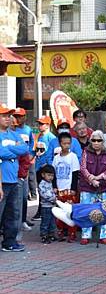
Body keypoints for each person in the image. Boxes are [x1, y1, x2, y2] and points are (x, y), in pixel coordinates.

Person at [0, 104, 29, 251]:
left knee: (13, 213)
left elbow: (25, 149)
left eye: (8, 115)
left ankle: (9, 242)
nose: (8, 118)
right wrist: (14, 151)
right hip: (1, 181)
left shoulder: (13, 134)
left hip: (14, 179)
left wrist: (8, 151)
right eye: (4, 115)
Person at [79, 130, 106, 245]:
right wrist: (91, 179)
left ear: (103, 141)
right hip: (87, 186)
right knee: (86, 210)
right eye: (94, 140)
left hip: (102, 186)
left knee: (104, 211)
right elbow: (83, 168)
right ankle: (85, 235)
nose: (96, 143)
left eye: (99, 140)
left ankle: (102, 235)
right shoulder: (86, 151)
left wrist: (98, 178)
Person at [53, 132, 80, 242]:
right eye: (64, 143)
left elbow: (75, 173)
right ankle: (61, 232)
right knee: (60, 212)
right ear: (60, 144)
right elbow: (53, 173)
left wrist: (74, 189)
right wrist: (54, 186)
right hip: (59, 189)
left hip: (69, 189)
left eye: (68, 143)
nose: (66, 146)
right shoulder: (56, 158)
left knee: (70, 212)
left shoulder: (73, 157)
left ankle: (72, 233)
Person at [13, 108, 35, 228]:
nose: (18, 118)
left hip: (25, 164)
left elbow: (32, 144)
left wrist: (31, 155)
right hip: (14, 164)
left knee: (24, 195)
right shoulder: (12, 130)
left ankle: (23, 220)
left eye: (20, 116)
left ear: (25, 117)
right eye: (16, 116)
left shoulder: (28, 130)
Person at [32, 116, 56, 221]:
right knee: (41, 190)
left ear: (47, 125)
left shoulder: (51, 137)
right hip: (38, 168)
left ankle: (44, 212)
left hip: (46, 169)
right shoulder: (38, 136)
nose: (40, 126)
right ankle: (40, 211)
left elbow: (52, 153)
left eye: (42, 124)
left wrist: (48, 166)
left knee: (47, 191)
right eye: (39, 124)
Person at [38, 164, 57, 243]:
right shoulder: (42, 184)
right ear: (43, 175)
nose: (50, 177)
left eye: (52, 176)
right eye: (48, 175)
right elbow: (45, 194)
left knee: (52, 221)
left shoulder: (50, 183)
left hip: (52, 206)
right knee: (45, 221)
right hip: (45, 206)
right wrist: (54, 199)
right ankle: (44, 235)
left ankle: (51, 234)